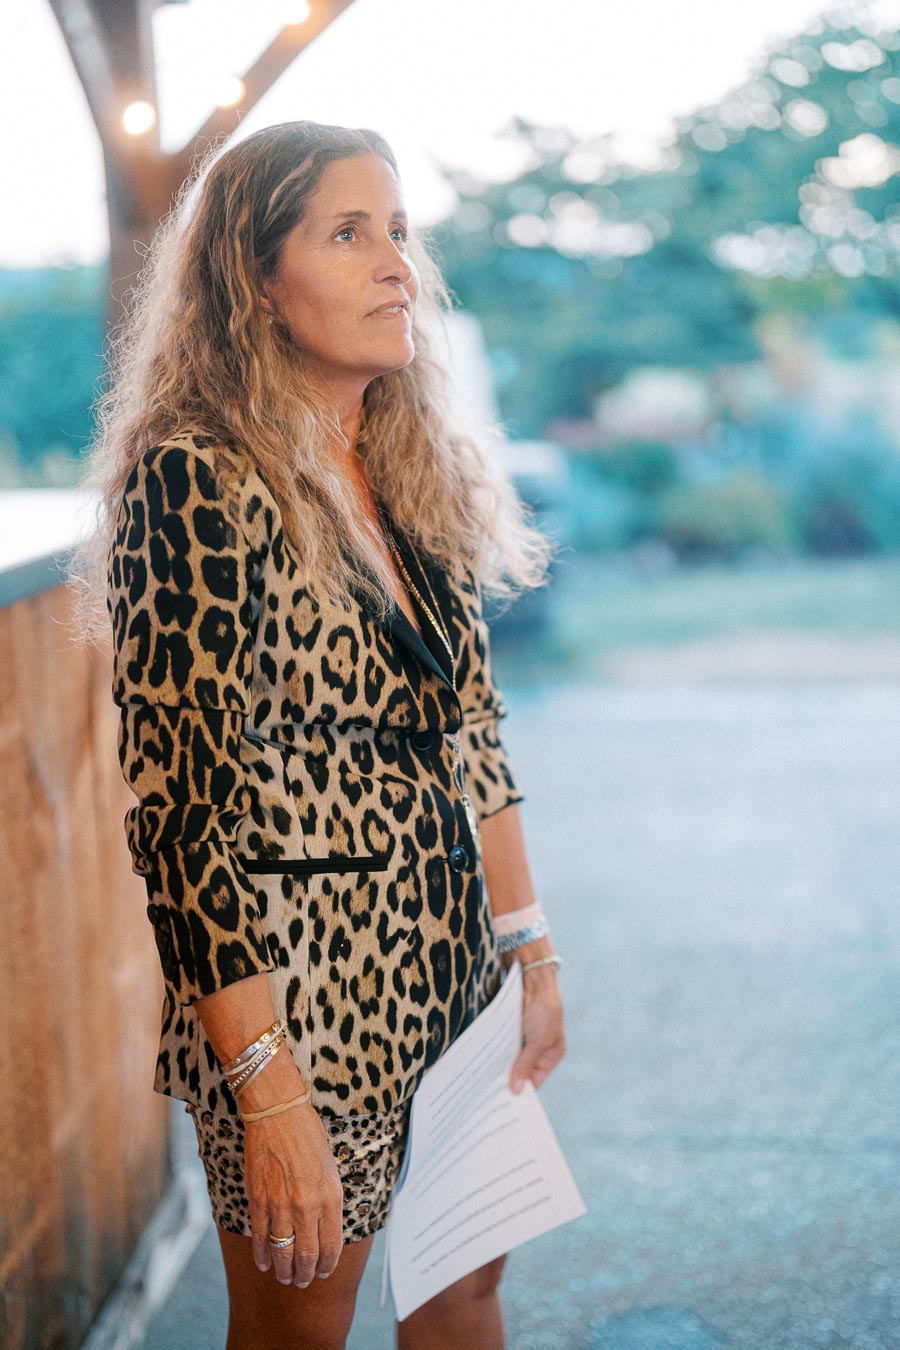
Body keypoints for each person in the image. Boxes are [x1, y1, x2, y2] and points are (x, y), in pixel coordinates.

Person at [70, 120, 565, 1349]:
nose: (398, 264)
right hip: (296, 991)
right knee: (305, 1324)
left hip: (454, 968)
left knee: (465, 1291)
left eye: (399, 231)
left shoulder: (406, 466)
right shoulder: (193, 479)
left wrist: (532, 952)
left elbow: (474, 734)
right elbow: (179, 819)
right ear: (253, 278)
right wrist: (267, 1090)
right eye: (349, 233)